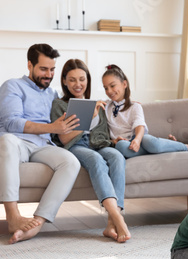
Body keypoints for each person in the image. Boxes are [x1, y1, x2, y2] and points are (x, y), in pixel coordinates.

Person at [0, 44, 81, 244]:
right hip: (15, 142)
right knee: (7, 141)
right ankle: (13, 216)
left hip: (42, 145)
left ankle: (38, 222)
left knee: (71, 162)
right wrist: (52, 128)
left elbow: (60, 126)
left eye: (52, 70)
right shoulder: (12, 86)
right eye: (43, 69)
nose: (48, 75)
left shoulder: (52, 94)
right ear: (30, 65)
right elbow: (12, 123)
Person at [50, 59, 130, 243]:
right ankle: (118, 218)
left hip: (99, 144)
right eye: (72, 80)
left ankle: (111, 223)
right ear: (64, 81)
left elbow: (101, 134)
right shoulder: (59, 105)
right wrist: (89, 116)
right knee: (96, 160)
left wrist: (113, 140)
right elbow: (65, 139)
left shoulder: (99, 104)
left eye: (82, 79)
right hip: (76, 146)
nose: (78, 84)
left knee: (117, 156)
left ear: (88, 80)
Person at [101, 64, 188, 159]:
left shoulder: (135, 106)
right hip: (125, 144)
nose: (109, 91)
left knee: (148, 140)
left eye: (112, 86)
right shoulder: (106, 107)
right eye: (105, 88)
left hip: (139, 139)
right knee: (121, 146)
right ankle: (167, 146)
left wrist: (137, 141)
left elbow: (139, 125)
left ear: (124, 84)